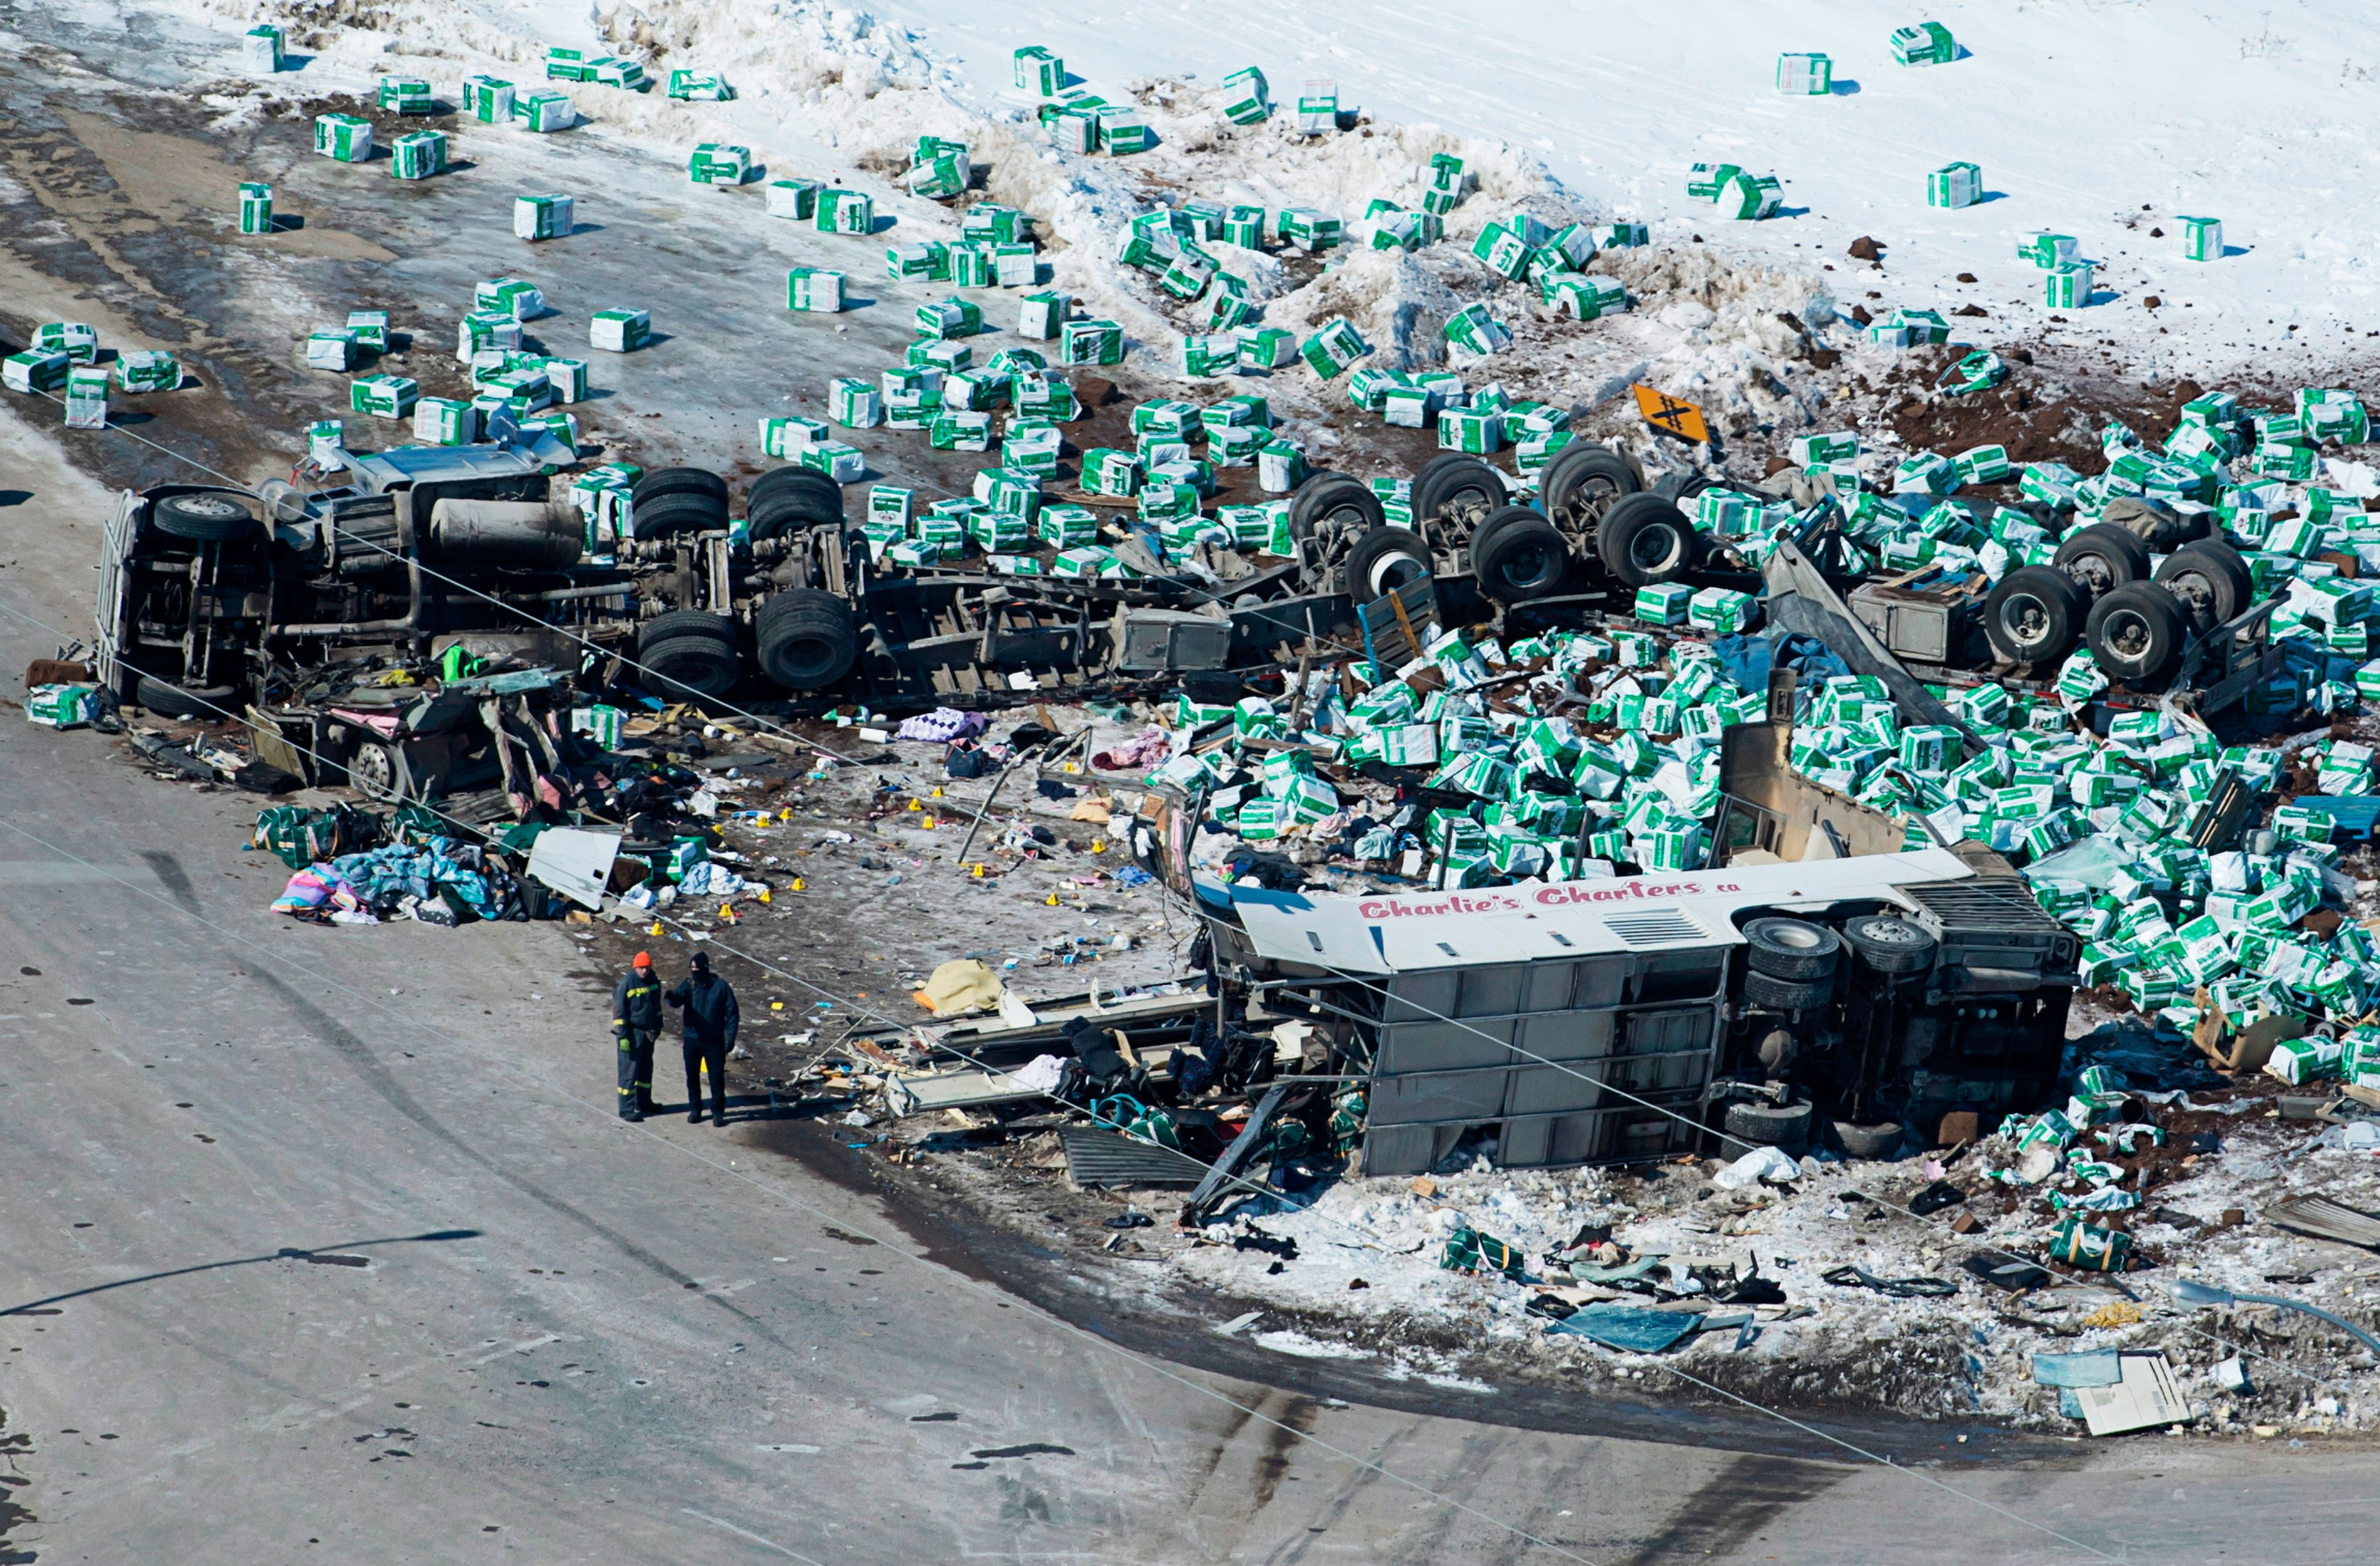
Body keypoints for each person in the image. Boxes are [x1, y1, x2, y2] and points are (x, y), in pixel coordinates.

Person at [665, 950, 738, 1125]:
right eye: (692, 968)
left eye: (697, 968)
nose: (695, 971)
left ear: (705, 967)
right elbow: (677, 1000)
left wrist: (730, 1038)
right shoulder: (689, 984)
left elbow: (732, 1013)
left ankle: (718, 1112)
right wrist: (671, 997)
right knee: (692, 1076)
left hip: (714, 1040)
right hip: (692, 1038)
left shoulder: (721, 987)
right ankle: (695, 1109)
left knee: (716, 1078)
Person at [610, 952, 664, 1121]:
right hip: (632, 1034)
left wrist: (657, 1027)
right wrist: (623, 1036)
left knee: (646, 1070)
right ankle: (626, 1109)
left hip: (648, 1033)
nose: (644, 971)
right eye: (641, 968)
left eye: (647, 968)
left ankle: (644, 1102)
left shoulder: (654, 981)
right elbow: (619, 1013)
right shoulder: (626, 984)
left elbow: (656, 1007)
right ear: (635, 967)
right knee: (629, 1072)